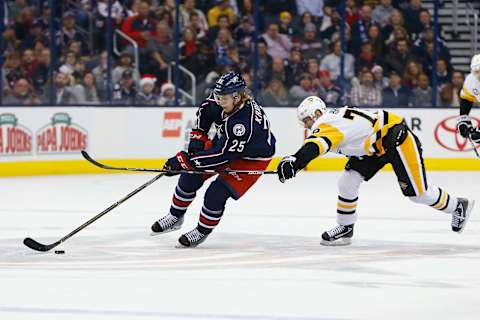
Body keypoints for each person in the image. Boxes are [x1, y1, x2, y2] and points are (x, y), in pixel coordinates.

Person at [277, 96, 475, 246]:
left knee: (418, 193)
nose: (308, 126)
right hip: (375, 146)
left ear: (317, 114)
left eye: (307, 120)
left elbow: (316, 145)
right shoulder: (334, 118)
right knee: (347, 181)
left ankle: (458, 205)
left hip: (396, 139)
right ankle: (346, 227)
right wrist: (296, 161)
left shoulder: (325, 123)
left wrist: (295, 162)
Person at [151, 71, 276, 247]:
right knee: (190, 176)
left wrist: (187, 161)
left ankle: (202, 231)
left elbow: (223, 158)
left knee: (216, 194)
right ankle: (175, 216)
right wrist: (194, 148)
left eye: (223, 98)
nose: (219, 101)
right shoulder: (223, 98)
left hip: (251, 158)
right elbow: (205, 113)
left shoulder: (243, 123)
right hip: (226, 143)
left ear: (237, 97)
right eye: (218, 96)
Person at [457, 54, 480, 144]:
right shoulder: (471, 81)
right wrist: (464, 119)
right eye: (476, 71)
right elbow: (466, 99)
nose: (478, 75)